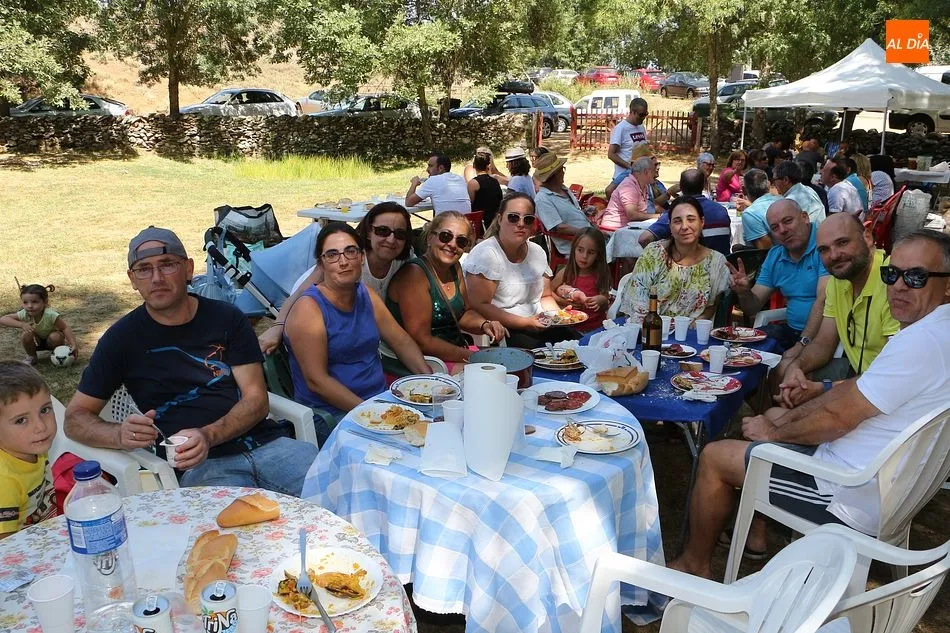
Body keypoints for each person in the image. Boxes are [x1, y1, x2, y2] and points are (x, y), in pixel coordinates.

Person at [669, 230, 950, 578]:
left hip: (845, 495)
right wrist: (802, 403)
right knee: (774, 415)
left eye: (916, 277)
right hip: (885, 480)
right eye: (891, 275)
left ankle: (693, 564)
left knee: (715, 456)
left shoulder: (921, 340)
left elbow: (838, 417)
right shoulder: (936, 330)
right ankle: (755, 530)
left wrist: (773, 433)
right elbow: (856, 390)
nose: (899, 286)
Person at [65, 227, 318, 494]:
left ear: (188, 268)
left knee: (336, 492)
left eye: (167, 264)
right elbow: (74, 419)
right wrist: (118, 435)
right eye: (144, 269)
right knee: (231, 521)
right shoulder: (121, 340)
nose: (157, 278)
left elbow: (256, 399)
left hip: (268, 445)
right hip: (202, 467)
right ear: (132, 279)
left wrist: (208, 435)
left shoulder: (227, 318)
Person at [284, 223, 430, 444]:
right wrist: (370, 411)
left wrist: (429, 380)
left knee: (435, 432)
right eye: (332, 255)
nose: (343, 261)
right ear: (321, 264)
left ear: (361, 257)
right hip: (331, 414)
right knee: (405, 447)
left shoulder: (366, 294)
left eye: (350, 251)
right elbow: (317, 380)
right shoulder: (309, 309)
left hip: (379, 403)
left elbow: (400, 341)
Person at [777, 213, 900, 406]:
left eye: (842, 242)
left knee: (777, 416)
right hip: (857, 375)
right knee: (783, 373)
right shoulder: (838, 281)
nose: (834, 255)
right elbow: (823, 344)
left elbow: (893, 376)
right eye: (824, 250)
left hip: (887, 396)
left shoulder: (895, 282)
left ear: (867, 237)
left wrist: (825, 388)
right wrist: (796, 366)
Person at [258, 202, 412, 355]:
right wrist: (277, 327)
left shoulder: (404, 259)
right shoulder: (348, 262)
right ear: (369, 232)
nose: (391, 239)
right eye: (383, 231)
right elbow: (298, 295)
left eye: (400, 234)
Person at [387, 212, 507, 369]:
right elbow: (422, 341)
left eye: (461, 241)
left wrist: (484, 324)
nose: (452, 244)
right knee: (494, 373)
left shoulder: (454, 267)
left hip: (454, 351)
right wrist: (472, 357)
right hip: (423, 361)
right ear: (430, 238)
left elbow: (463, 313)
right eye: (445, 236)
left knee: (510, 363)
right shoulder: (415, 275)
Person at [464, 193, 569, 348]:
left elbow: (545, 296)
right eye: (513, 217)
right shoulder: (486, 255)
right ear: (500, 219)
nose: (520, 224)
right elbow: (479, 305)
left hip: (539, 322)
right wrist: (525, 322)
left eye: (528, 219)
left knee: (574, 344)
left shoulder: (537, 252)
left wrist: (558, 317)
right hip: (505, 329)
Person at [727, 200, 828, 352]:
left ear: (805, 217)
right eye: (775, 227)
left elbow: (823, 301)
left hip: (826, 334)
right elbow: (752, 307)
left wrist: (801, 345)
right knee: (741, 352)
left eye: (788, 221)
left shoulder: (825, 245)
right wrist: (744, 292)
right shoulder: (776, 255)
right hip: (791, 331)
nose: (783, 230)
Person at [619, 197, 729, 323]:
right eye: (677, 221)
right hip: (650, 328)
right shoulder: (654, 254)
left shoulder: (716, 262)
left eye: (691, 219)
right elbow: (637, 301)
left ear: (702, 222)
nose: (684, 226)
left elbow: (711, 306)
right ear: (670, 226)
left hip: (691, 332)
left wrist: (692, 325)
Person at [0, 362, 56, 539]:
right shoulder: (4, 481)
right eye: (21, 420)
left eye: (45, 410)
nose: (41, 426)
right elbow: (5, 547)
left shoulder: (31, 447)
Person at [639, 168, 733, 257]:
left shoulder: (677, 212)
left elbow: (644, 239)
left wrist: (661, 259)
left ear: (681, 187)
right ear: (703, 185)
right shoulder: (721, 211)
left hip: (690, 266)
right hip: (722, 264)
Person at [0, 283, 78, 366]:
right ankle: (32, 357)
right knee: (26, 334)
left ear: (45, 302)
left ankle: (58, 354)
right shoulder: (25, 313)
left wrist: (73, 344)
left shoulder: (51, 315)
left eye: (35, 302)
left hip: (53, 341)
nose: (30, 306)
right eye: (25, 302)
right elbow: (3, 319)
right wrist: (22, 325)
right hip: (38, 341)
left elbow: (65, 328)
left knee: (55, 336)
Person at [533, 153, 595, 256]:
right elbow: (558, 227)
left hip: (588, 237)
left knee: (620, 238)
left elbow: (570, 215)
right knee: (619, 248)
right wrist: (588, 233)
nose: (563, 172)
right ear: (555, 175)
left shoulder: (563, 189)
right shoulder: (542, 199)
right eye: (562, 169)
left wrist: (585, 212)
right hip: (577, 245)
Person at [551, 228, 612, 332]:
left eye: (591, 252)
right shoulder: (567, 272)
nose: (584, 256)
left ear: (598, 254)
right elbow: (548, 292)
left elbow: (606, 298)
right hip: (571, 328)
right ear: (574, 249)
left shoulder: (601, 273)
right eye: (580, 250)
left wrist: (600, 299)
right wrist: (562, 301)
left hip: (596, 328)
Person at [598, 156, 663, 230]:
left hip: (629, 228)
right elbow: (632, 215)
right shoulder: (629, 186)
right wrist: (659, 216)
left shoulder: (643, 185)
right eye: (653, 171)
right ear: (646, 172)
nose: (656, 173)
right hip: (614, 230)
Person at [605, 98, 649, 198]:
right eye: (641, 114)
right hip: (624, 177)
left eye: (645, 114)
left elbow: (644, 149)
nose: (643, 118)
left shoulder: (641, 127)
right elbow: (611, 154)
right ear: (632, 112)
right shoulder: (621, 128)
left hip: (640, 178)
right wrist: (630, 167)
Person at [406, 152, 471, 214]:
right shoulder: (460, 179)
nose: (427, 169)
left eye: (430, 166)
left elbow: (408, 202)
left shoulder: (433, 180)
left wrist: (414, 184)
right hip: (466, 220)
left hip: (446, 221)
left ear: (440, 168)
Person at [738, 169, 782, 250]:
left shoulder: (750, 214)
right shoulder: (784, 201)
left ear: (743, 190)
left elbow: (765, 251)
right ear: (768, 185)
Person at [774, 160, 825, 225]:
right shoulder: (808, 189)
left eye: (774, 180)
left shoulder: (790, 202)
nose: (774, 184)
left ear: (786, 180)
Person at [467, 150, 504, 228]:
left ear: (474, 166)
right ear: (488, 166)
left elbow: (470, 204)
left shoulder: (473, 183)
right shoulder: (495, 181)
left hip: (481, 223)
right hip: (495, 221)